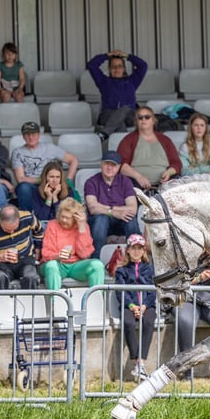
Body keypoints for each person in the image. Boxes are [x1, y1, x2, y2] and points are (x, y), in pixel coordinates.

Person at [176, 251, 210, 379]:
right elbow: (176, 283)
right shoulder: (184, 253)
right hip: (188, 299)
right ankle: (186, 367)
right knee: (185, 321)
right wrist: (198, 279)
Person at [115, 234, 158, 381]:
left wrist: (145, 306)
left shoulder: (150, 269)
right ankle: (136, 362)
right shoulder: (122, 270)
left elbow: (153, 291)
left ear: (144, 251)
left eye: (140, 248)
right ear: (128, 250)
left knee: (148, 322)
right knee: (129, 323)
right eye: (134, 248)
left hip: (147, 305)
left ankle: (141, 363)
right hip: (129, 306)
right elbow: (120, 291)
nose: (137, 251)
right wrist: (132, 306)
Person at [11, 121, 79, 211]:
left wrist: (68, 179)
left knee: (67, 188)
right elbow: (21, 179)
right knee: (23, 187)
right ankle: (28, 217)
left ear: (39, 135)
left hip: (52, 183)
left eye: (33, 134)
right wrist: (42, 179)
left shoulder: (50, 148)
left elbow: (73, 160)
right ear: (23, 136)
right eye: (27, 134)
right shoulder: (18, 152)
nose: (31, 137)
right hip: (33, 186)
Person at [39, 198, 105, 290]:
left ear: (75, 218)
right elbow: (46, 254)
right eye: (62, 216)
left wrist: (81, 227)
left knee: (97, 265)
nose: (64, 220)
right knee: (52, 266)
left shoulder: (83, 226)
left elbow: (85, 255)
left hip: (76, 265)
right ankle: (54, 303)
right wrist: (58, 256)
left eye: (68, 218)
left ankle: (96, 301)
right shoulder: (52, 225)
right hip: (57, 264)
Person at [84, 151, 141, 258]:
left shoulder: (125, 181)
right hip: (99, 223)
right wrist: (113, 212)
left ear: (119, 167)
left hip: (121, 221)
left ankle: (136, 260)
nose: (109, 168)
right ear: (101, 164)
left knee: (130, 219)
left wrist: (106, 208)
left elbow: (133, 208)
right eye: (107, 164)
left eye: (113, 165)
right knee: (101, 219)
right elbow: (92, 207)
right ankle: (96, 260)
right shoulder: (91, 182)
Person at [87, 49, 148, 140]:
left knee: (125, 109)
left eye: (119, 66)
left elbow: (143, 66)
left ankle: (103, 134)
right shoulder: (103, 82)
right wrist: (107, 55)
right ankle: (124, 147)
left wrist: (127, 56)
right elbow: (92, 65)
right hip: (108, 114)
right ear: (109, 69)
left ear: (123, 69)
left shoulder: (132, 81)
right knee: (119, 122)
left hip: (129, 116)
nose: (117, 69)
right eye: (113, 66)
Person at [117, 106, 182, 191]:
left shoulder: (165, 140)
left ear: (153, 120)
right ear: (136, 121)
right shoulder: (128, 140)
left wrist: (169, 173)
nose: (143, 119)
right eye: (140, 117)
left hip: (165, 182)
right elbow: (120, 164)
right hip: (136, 183)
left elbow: (176, 163)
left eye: (147, 117)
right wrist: (138, 177)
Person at [0, 204, 43, 290]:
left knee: (31, 277)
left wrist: (38, 249)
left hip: (25, 259)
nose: (12, 232)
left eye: (15, 228)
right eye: (7, 230)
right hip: (2, 265)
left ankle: (29, 302)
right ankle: (2, 302)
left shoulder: (27, 218)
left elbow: (39, 231)